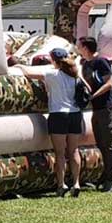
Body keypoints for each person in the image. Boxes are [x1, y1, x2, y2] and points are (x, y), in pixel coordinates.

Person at [21, 48, 83, 197]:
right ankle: (76, 182)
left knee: (60, 153)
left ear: (53, 60)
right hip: (75, 114)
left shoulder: (52, 74)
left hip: (58, 115)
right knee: (74, 150)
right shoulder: (74, 75)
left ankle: (61, 184)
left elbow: (29, 74)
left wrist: (19, 66)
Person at [77, 36, 112, 193]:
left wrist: (93, 95)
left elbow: (109, 83)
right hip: (97, 108)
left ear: (85, 47)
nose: (77, 47)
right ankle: (106, 174)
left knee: (108, 141)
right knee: (101, 141)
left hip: (107, 106)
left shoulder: (101, 62)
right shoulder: (85, 64)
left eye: (79, 45)